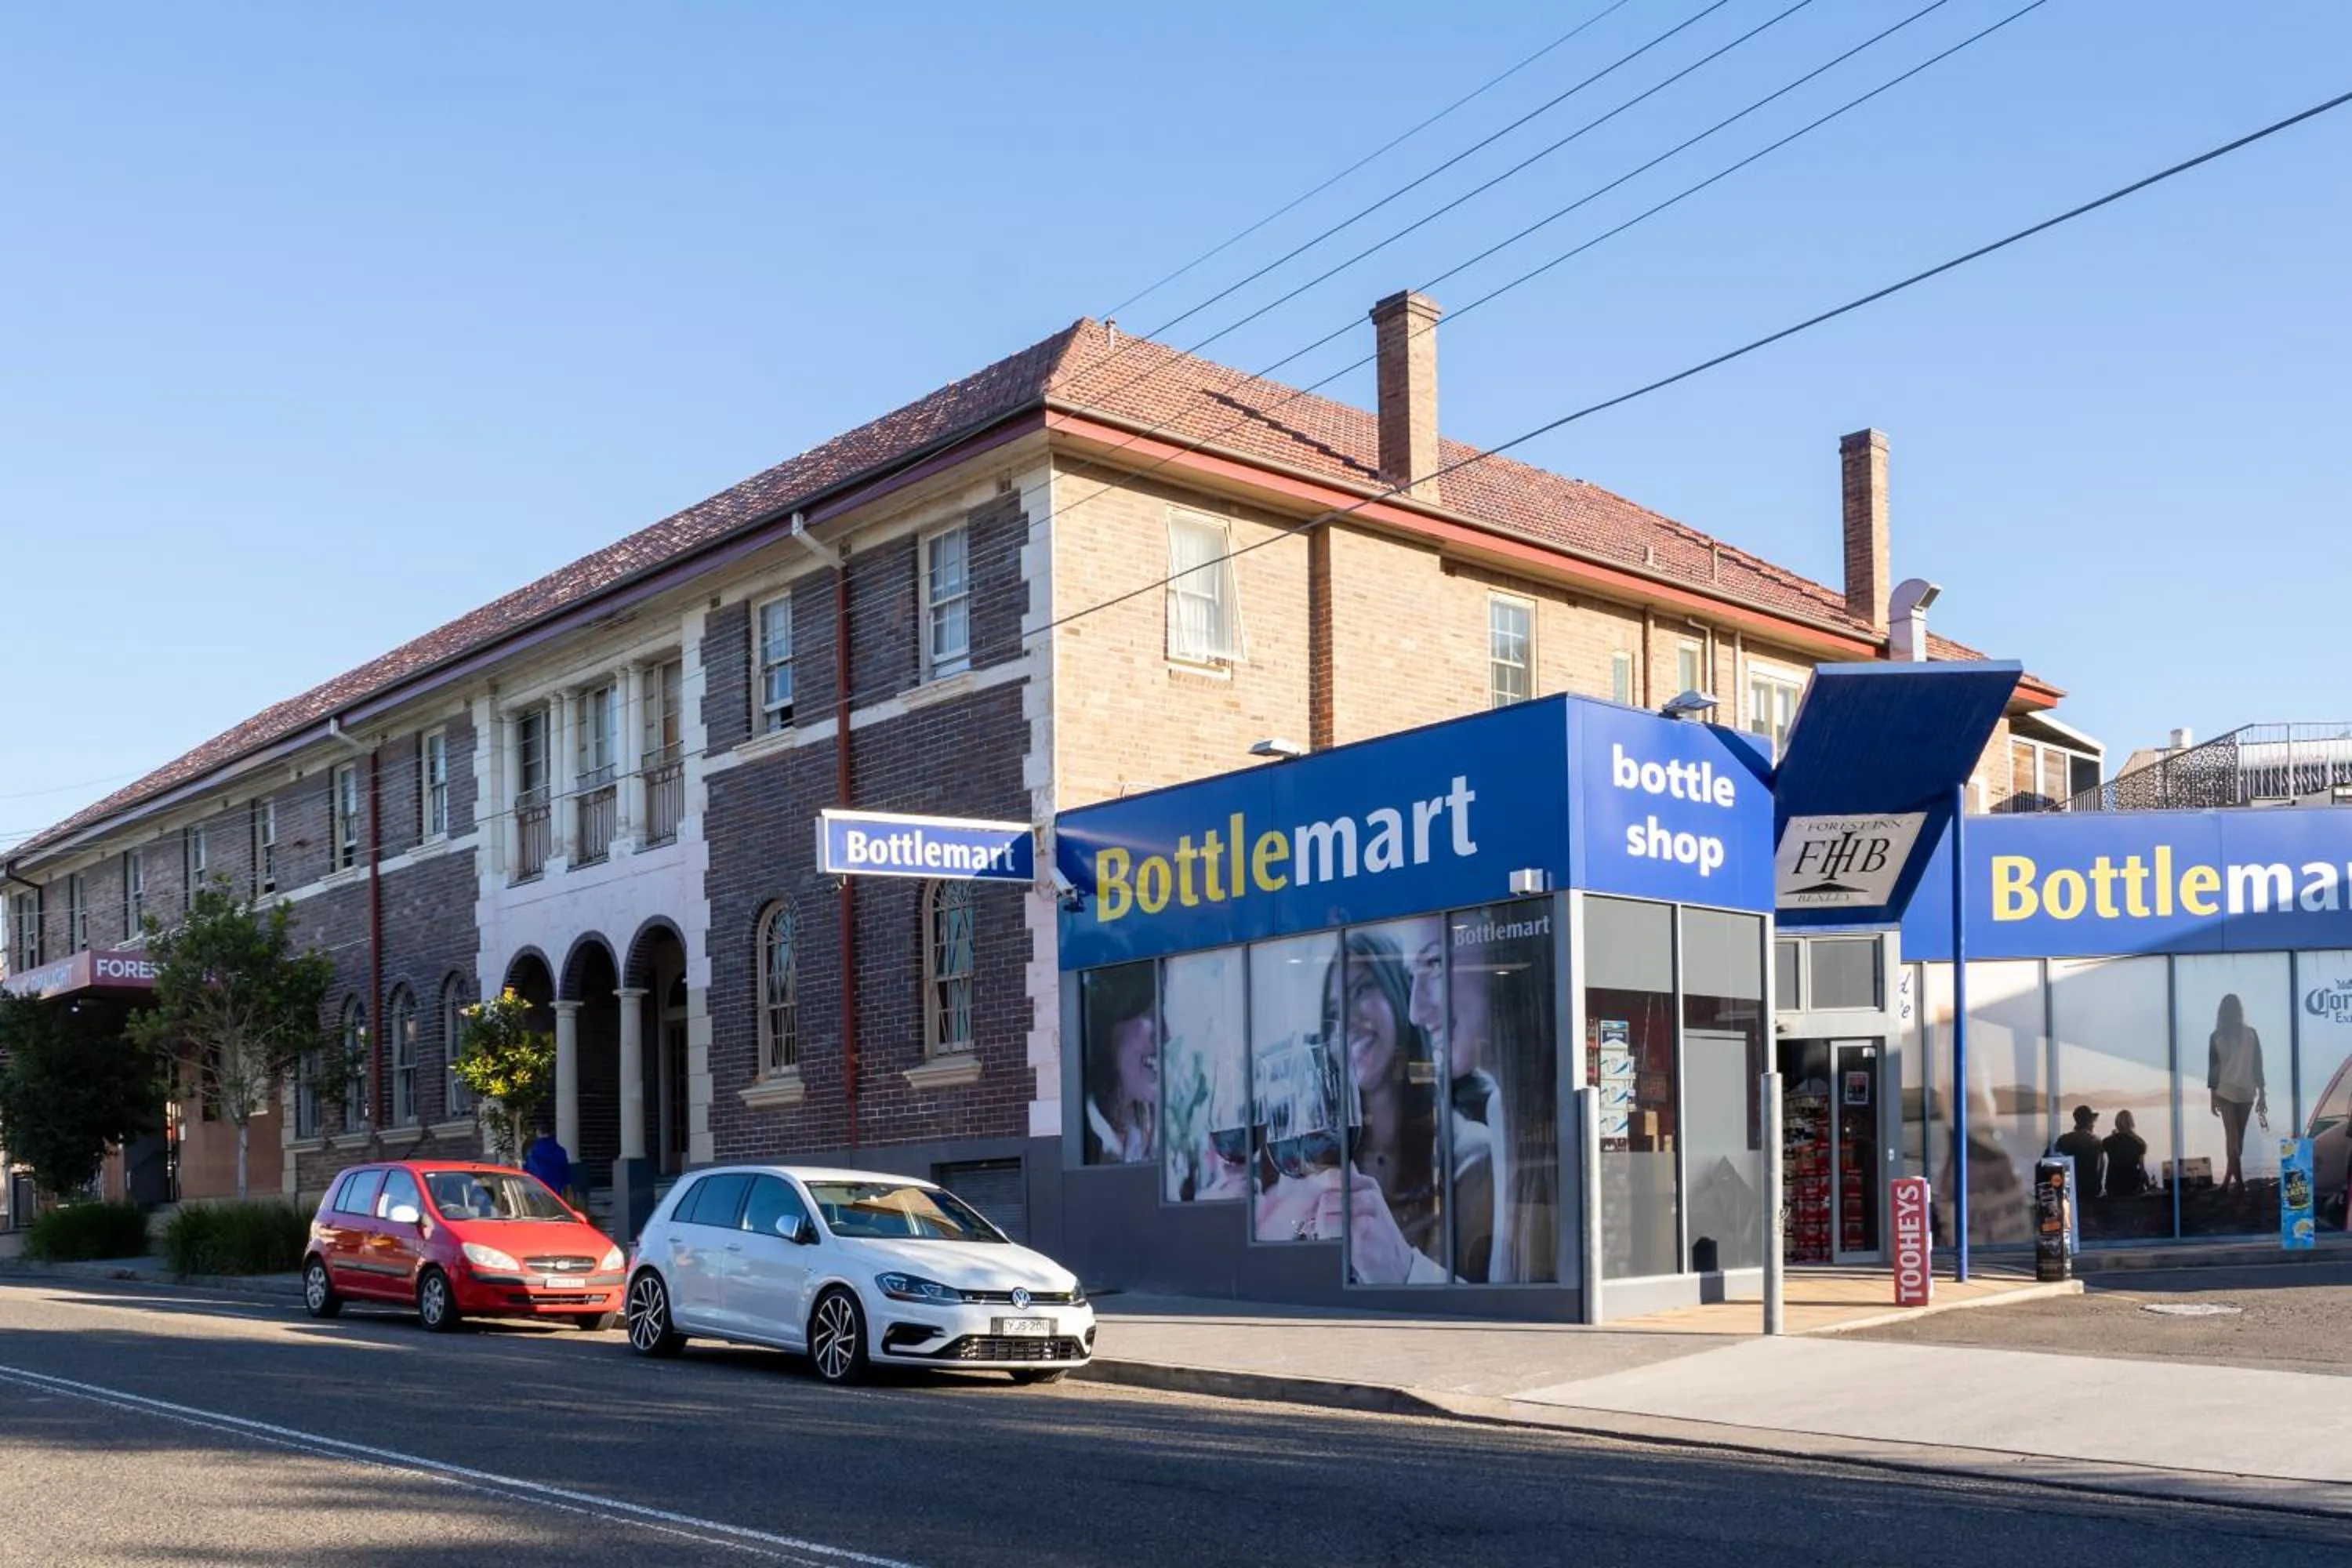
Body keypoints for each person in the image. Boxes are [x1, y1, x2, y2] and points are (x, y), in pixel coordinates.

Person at [1310, 930, 1443, 1283]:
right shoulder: (1329, 1165)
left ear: (1401, 997)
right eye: (1334, 1011)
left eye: (1364, 990)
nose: (1349, 1020)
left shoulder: (1463, 1156)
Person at [1411, 931, 1499, 1283]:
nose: (1415, 1011)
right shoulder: (1504, 1110)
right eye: (1409, 976)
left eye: (1434, 963)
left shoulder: (1482, 1142)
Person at [1082, 963, 1159, 1165]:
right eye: (1151, 1015)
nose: (1166, 1034)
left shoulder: (1153, 1133)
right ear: (1110, 1027)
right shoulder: (1085, 1137)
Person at [2208, 993, 2268, 1196]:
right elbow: (2258, 1065)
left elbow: (2213, 1070)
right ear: (2239, 1011)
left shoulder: (2216, 1036)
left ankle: (2235, 1182)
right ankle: (2232, 1181)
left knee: (2232, 1139)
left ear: (2221, 1013)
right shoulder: (2251, 1034)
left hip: (2225, 1090)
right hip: (2246, 1091)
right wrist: (2262, 1094)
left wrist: (2212, 1096)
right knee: (2237, 1140)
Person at [2054, 1105, 2105, 1201]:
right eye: (2092, 1122)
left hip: (2073, 1189)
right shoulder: (2097, 1141)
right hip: (2093, 1189)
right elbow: (2101, 1167)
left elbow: (2054, 1156)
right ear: (2089, 1122)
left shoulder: (2064, 1140)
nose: (2093, 1125)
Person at [2101, 1109, 2151, 1200]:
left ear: (2117, 1124)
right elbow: (2142, 1170)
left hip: (2113, 1186)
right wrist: (2149, 1184)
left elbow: (2101, 1164)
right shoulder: (2140, 1143)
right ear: (2131, 1123)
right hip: (2132, 1187)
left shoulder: (2107, 1142)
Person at [522, 1130, 573, 1207]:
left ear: (538, 1133)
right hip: (556, 1189)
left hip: (537, 1188)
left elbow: (527, 1170)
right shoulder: (560, 1151)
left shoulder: (533, 1151)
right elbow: (566, 1173)